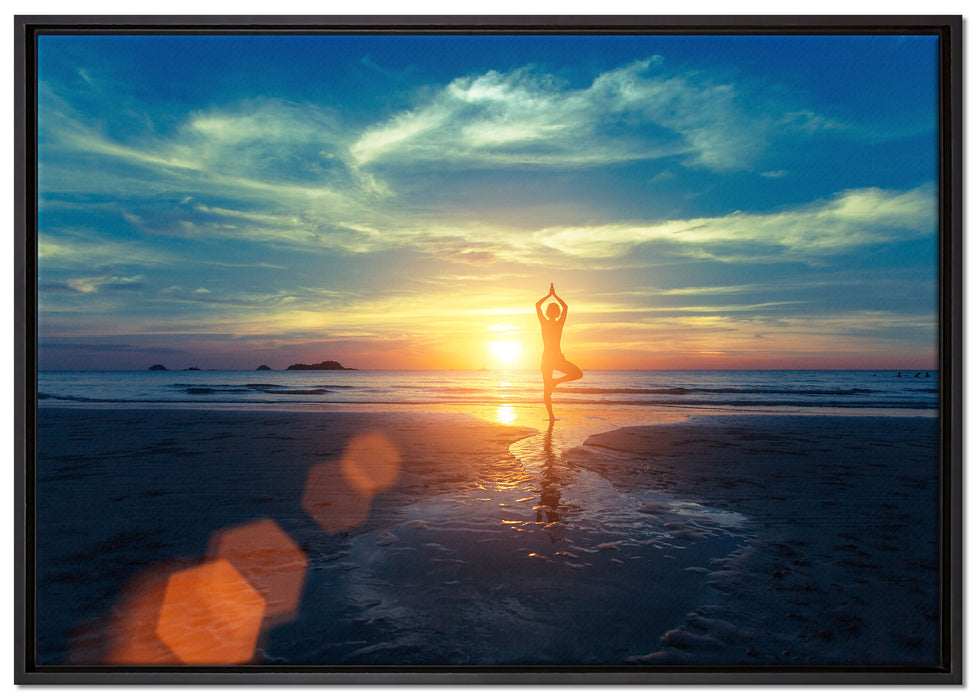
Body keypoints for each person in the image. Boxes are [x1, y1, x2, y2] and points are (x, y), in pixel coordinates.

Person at [535, 283, 583, 421]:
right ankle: (555, 383)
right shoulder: (559, 323)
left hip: (549, 358)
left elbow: (537, 305)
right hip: (555, 358)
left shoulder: (544, 322)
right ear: (556, 313)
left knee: (547, 390)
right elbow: (565, 307)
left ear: (549, 312)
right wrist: (555, 296)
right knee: (578, 373)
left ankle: (551, 416)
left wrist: (549, 296)